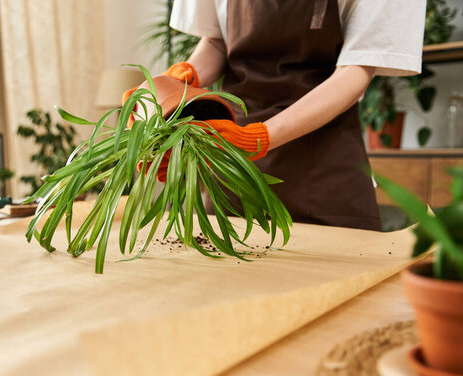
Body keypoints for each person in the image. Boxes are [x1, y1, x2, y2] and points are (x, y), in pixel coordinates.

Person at [133, 0, 426, 231]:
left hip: (324, 164)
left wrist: (259, 137)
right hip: (233, 164)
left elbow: (355, 70)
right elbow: (217, 40)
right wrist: (177, 84)